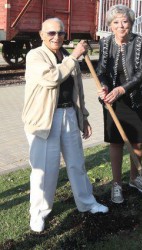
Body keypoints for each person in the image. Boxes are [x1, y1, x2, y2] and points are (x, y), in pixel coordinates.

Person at [22, 18, 108, 233]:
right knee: (44, 169)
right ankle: (39, 212)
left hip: (69, 113)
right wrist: (74, 58)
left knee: (76, 163)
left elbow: (77, 90)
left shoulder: (67, 56)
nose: (56, 37)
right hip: (43, 119)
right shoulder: (35, 56)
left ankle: (87, 203)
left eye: (60, 33)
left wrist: (83, 117)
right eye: (51, 33)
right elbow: (51, 78)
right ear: (42, 35)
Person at [96, 5, 142, 204]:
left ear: (131, 23)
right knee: (116, 142)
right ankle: (117, 184)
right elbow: (101, 70)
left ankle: (134, 178)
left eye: (125, 22)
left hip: (137, 98)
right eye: (116, 23)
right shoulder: (105, 43)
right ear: (110, 26)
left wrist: (122, 88)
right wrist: (104, 86)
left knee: (138, 141)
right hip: (113, 100)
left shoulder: (140, 42)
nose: (121, 26)